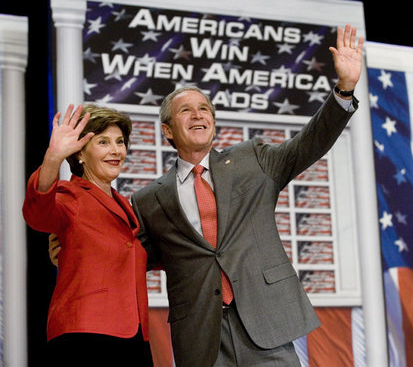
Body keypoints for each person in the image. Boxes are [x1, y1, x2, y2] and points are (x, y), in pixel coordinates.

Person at [129, 24, 364, 367]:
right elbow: (131, 255)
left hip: (265, 323)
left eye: (204, 109)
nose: (198, 115)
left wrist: (344, 90)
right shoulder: (149, 199)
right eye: (186, 110)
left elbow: (308, 143)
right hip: (201, 336)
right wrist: (75, 247)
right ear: (167, 130)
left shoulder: (252, 159)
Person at [23, 104, 153, 366]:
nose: (116, 150)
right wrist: (53, 158)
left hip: (133, 333)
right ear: (80, 153)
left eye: (120, 142)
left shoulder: (126, 207)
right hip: (87, 334)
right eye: (103, 142)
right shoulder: (72, 196)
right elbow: (38, 213)